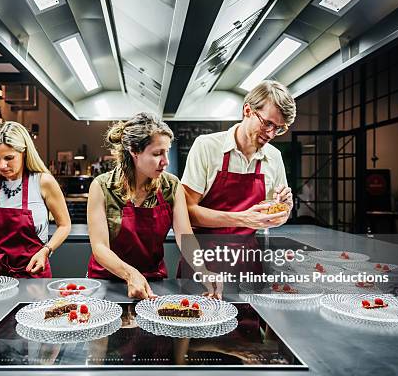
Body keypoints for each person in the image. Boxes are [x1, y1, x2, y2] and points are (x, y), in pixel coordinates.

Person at [87, 112, 206, 299]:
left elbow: (185, 237)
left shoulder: (171, 186)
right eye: (157, 153)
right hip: (108, 282)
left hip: (153, 282)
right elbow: (100, 247)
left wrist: (203, 270)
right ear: (134, 150)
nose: (166, 161)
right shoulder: (102, 186)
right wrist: (130, 274)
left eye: (167, 152)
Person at [181, 80, 296, 235]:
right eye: (267, 123)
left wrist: (284, 208)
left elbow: (273, 214)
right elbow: (186, 212)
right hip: (204, 253)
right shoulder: (206, 146)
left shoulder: (274, 156)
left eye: (278, 128)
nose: (271, 134)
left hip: (248, 254)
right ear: (248, 110)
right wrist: (243, 219)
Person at [0, 121, 70, 277]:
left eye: (9, 157)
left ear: (24, 153)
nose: (1, 165)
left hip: (33, 272)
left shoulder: (43, 182)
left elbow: (64, 225)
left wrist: (46, 250)